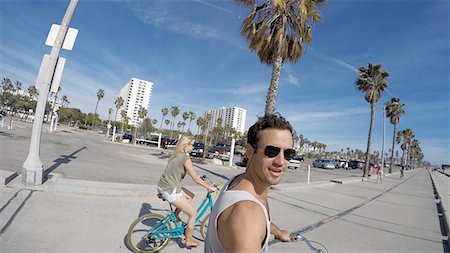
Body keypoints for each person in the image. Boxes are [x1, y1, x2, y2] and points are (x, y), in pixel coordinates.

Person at [205, 113, 294, 253]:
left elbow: (260, 222)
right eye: (272, 151)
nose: (281, 161)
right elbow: (250, 221)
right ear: (250, 151)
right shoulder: (248, 213)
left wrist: (278, 232)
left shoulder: (238, 182)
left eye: (288, 153)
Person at [157, 135, 216, 248]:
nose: (193, 147)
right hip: (170, 189)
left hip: (164, 186)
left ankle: (176, 214)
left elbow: (182, 170)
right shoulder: (185, 158)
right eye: (192, 145)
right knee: (193, 214)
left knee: (190, 196)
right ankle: (188, 240)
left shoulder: (176, 155)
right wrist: (209, 187)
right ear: (186, 145)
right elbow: (196, 179)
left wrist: (197, 175)